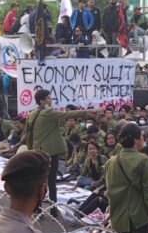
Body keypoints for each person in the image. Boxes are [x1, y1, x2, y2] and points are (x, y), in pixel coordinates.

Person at [24, 89, 98, 217]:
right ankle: (53, 209)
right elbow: (67, 114)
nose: (50, 100)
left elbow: (28, 135)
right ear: (42, 101)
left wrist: (31, 151)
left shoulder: (32, 114)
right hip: (50, 152)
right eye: (48, 98)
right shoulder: (48, 112)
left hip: (37, 151)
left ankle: (37, 209)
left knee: (39, 181)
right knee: (51, 182)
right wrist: (89, 112)